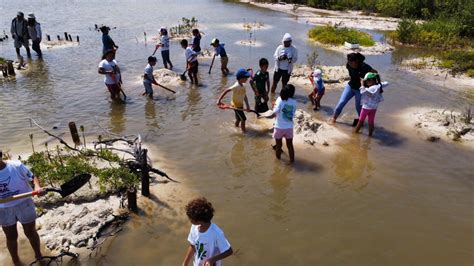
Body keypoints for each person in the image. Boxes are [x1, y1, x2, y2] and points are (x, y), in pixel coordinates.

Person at [0, 150, 44, 266]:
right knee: (11, 236)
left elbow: (32, 177)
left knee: (30, 231)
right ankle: (16, 262)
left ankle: (39, 256)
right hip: (3, 208)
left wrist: (38, 187)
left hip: (24, 203)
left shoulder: (16, 166)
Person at [182, 197, 233, 266]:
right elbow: (193, 245)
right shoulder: (194, 227)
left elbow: (229, 251)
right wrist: (185, 263)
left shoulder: (216, 233)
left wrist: (212, 260)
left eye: (190, 218)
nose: (189, 220)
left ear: (199, 220)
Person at [331, 52, 377, 124]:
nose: (350, 64)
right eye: (348, 62)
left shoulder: (365, 67)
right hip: (350, 86)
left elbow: (375, 73)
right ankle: (333, 119)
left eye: (351, 62)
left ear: (357, 61)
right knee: (341, 102)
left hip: (360, 90)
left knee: (358, 107)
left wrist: (373, 85)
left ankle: (360, 122)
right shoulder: (348, 65)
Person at [217, 68, 251, 133]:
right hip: (235, 105)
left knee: (238, 119)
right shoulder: (236, 86)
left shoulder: (244, 85)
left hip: (240, 105)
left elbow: (245, 96)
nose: (247, 79)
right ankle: (244, 133)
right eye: (246, 77)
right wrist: (219, 100)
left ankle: (236, 128)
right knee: (243, 119)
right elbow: (226, 91)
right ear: (241, 78)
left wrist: (247, 105)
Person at [355, 72, 389, 136]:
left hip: (366, 108)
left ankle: (355, 133)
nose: (366, 83)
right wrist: (379, 83)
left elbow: (363, 91)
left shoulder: (371, 88)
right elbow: (387, 83)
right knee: (371, 122)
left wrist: (362, 84)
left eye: (367, 81)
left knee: (361, 121)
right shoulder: (379, 86)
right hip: (374, 108)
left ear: (371, 80)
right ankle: (370, 135)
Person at [272, 84, 297, 163]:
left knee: (278, 145)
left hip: (279, 127)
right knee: (290, 145)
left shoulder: (279, 99)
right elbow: (293, 112)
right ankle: (292, 162)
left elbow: (275, 112)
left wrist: (273, 106)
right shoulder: (294, 102)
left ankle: (278, 161)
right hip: (289, 127)